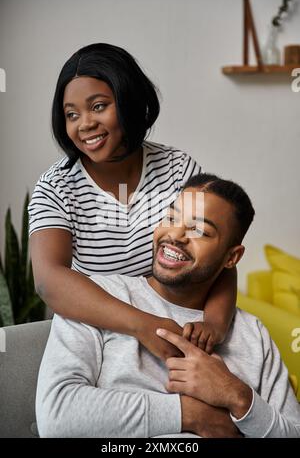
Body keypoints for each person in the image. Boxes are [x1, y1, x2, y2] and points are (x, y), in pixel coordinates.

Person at [36, 173, 300, 438]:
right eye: (171, 218)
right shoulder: (94, 300)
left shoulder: (251, 333)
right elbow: (56, 416)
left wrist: (238, 396)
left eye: (200, 231)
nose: (175, 235)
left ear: (232, 257)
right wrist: (188, 414)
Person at [28, 43, 237, 359]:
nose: (84, 124)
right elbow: (49, 281)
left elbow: (217, 257)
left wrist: (216, 325)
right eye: (72, 114)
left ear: (129, 101)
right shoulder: (55, 187)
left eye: (98, 106)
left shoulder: (178, 169)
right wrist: (143, 326)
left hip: (176, 330)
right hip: (98, 336)